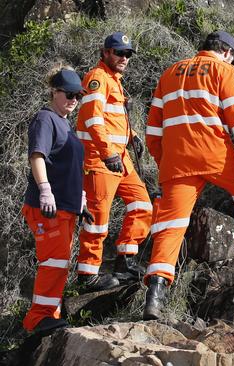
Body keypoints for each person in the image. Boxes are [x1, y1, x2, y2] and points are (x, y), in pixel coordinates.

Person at [142, 31, 234, 319]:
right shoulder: (225, 71)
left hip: (176, 161)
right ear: (227, 52)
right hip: (216, 154)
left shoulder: (169, 73)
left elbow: (152, 132)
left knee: (170, 226)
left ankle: (155, 297)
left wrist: (166, 162)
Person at [75, 32, 152, 291]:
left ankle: (125, 262)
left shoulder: (114, 80)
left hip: (120, 157)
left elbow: (112, 120)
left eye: (128, 54)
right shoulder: (97, 78)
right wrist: (107, 153)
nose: (124, 58)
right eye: (119, 52)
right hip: (100, 159)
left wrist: (133, 136)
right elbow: (92, 119)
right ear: (105, 52)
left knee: (142, 205)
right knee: (98, 219)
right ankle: (87, 275)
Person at [22, 66, 94, 332]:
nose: (74, 100)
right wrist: (44, 189)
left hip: (65, 208)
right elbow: (37, 155)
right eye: (69, 94)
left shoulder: (65, 124)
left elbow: (71, 169)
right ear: (54, 92)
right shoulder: (45, 119)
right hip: (48, 208)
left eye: (78, 95)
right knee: (53, 263)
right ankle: (37, 318)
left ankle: (49, 317)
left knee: (60, 263)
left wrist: (81, 200)